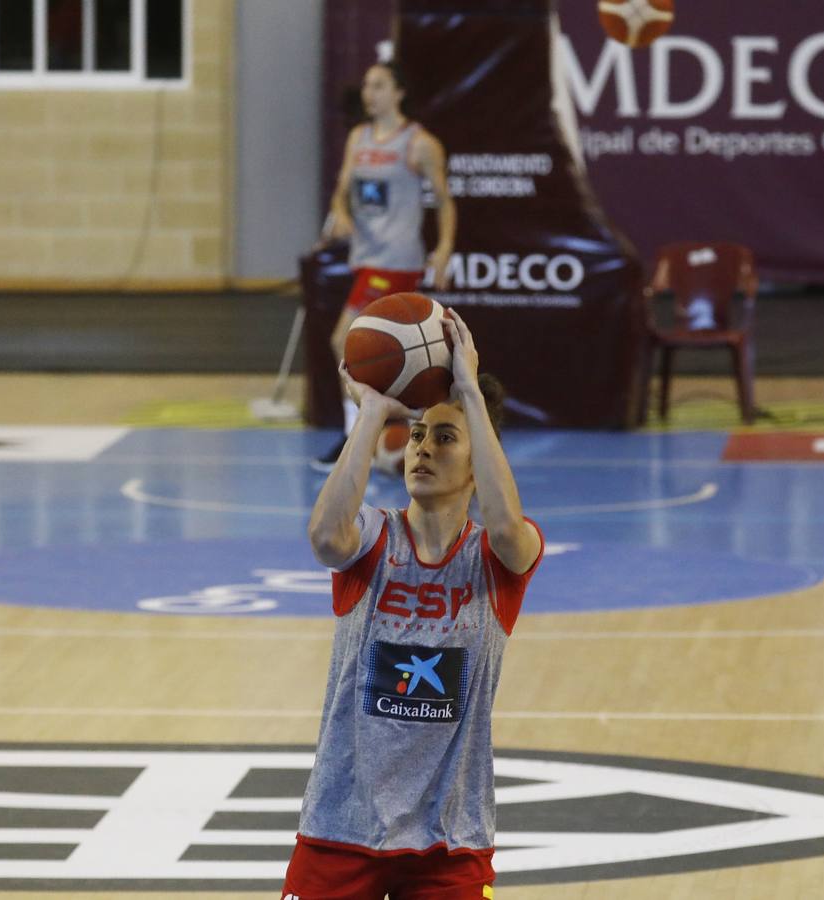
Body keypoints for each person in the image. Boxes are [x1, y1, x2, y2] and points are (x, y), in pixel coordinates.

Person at [283, 314, 543, 899]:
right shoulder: (373, 536)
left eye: (445, 438)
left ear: (480, 464)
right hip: (340, 824)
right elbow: (325, 537)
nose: (423, 449)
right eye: (419, 435)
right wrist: (373, 414)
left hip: (448, 838)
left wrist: (470, 391)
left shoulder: (497, 557)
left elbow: (505, 524)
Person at [313, 60, 456, 472]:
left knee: (345, 340)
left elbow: (445, 201)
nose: (368, 93)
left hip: (396, 261)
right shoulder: (358, 138)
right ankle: (409, 431)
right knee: (394, 355)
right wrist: (340, 213)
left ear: (399, 93)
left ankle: (356, 436)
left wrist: (444, 248)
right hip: (365, 257)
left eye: (377, 85)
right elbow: (342, 192)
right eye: (365, 85)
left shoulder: (419, 143)